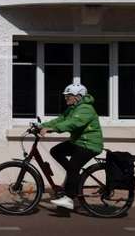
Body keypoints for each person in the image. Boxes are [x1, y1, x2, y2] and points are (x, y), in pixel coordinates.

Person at [39, 83, 103, 211]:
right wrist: (41, 125)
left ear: (78, 97)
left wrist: (52, 129)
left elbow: (73, 123)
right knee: (56, 151)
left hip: (89, 144)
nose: (66, 98)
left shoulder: (86, 109)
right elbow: (60, 119)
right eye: (66, 96)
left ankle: (69, 198)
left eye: (69, 96)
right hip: (78, 142)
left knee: (73, 166)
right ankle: (74, 179)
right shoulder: (72, 108)